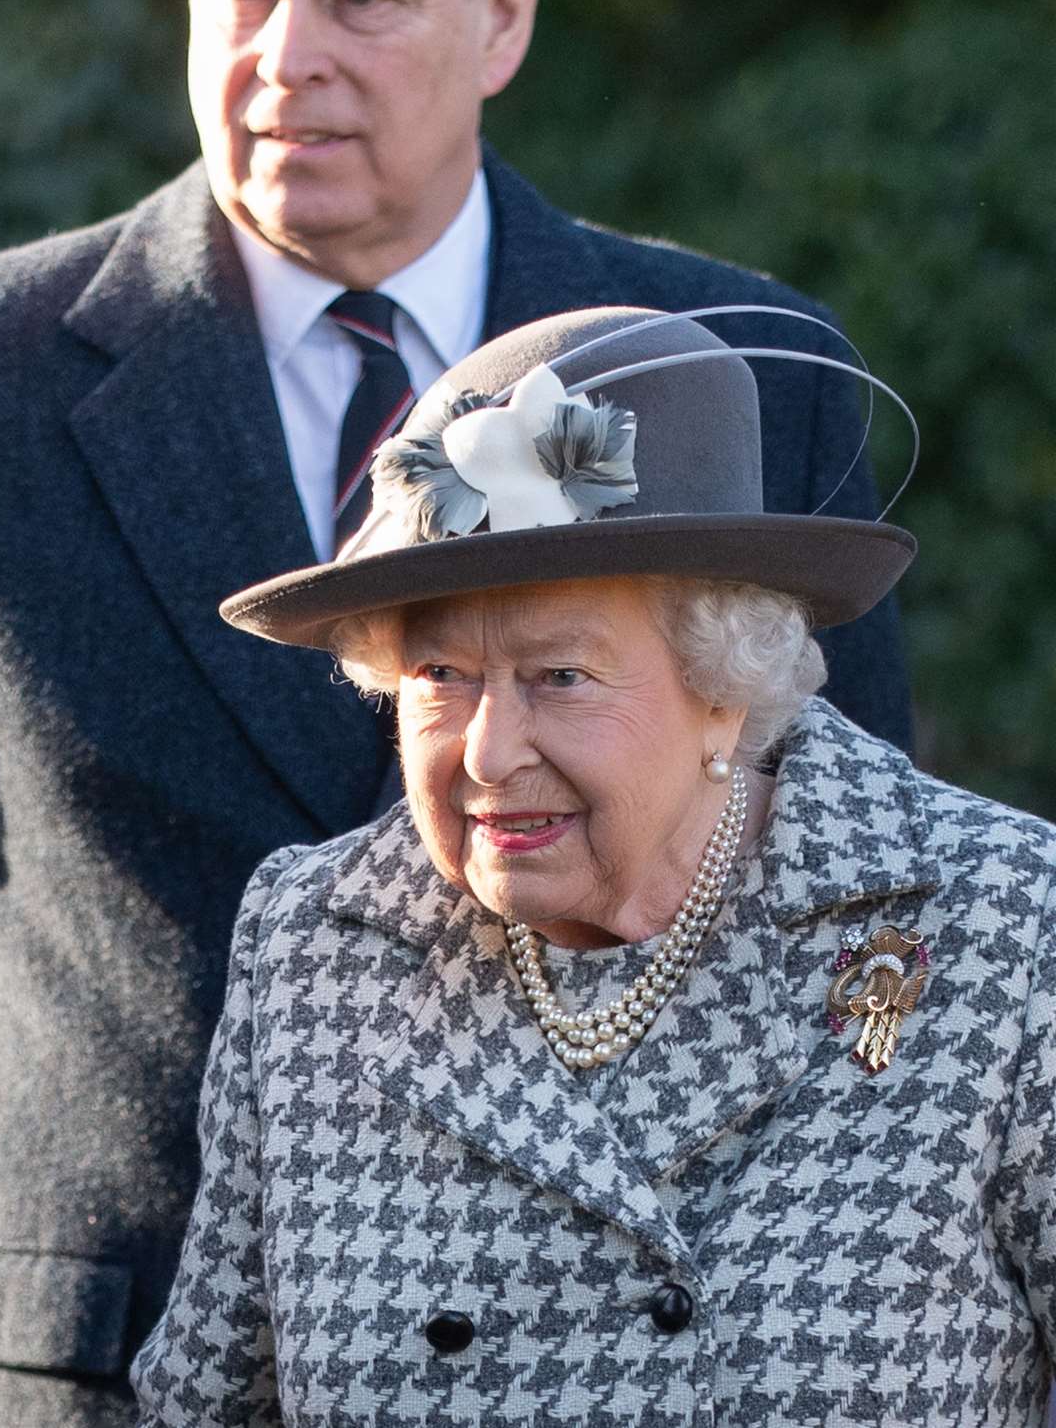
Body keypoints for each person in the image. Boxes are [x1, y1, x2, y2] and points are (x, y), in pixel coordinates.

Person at [0, 0, 910, 1426]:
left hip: (650, 1335)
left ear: (505, 14)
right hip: (125, 1351)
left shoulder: (748, 373)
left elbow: (864, 898)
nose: (280, 59)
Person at [131, 305, 1054, 1427]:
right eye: (439, 673)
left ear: (725, 682)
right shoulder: (315, 945)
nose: (487, 751)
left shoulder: (1001, 927)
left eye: (558, 676)